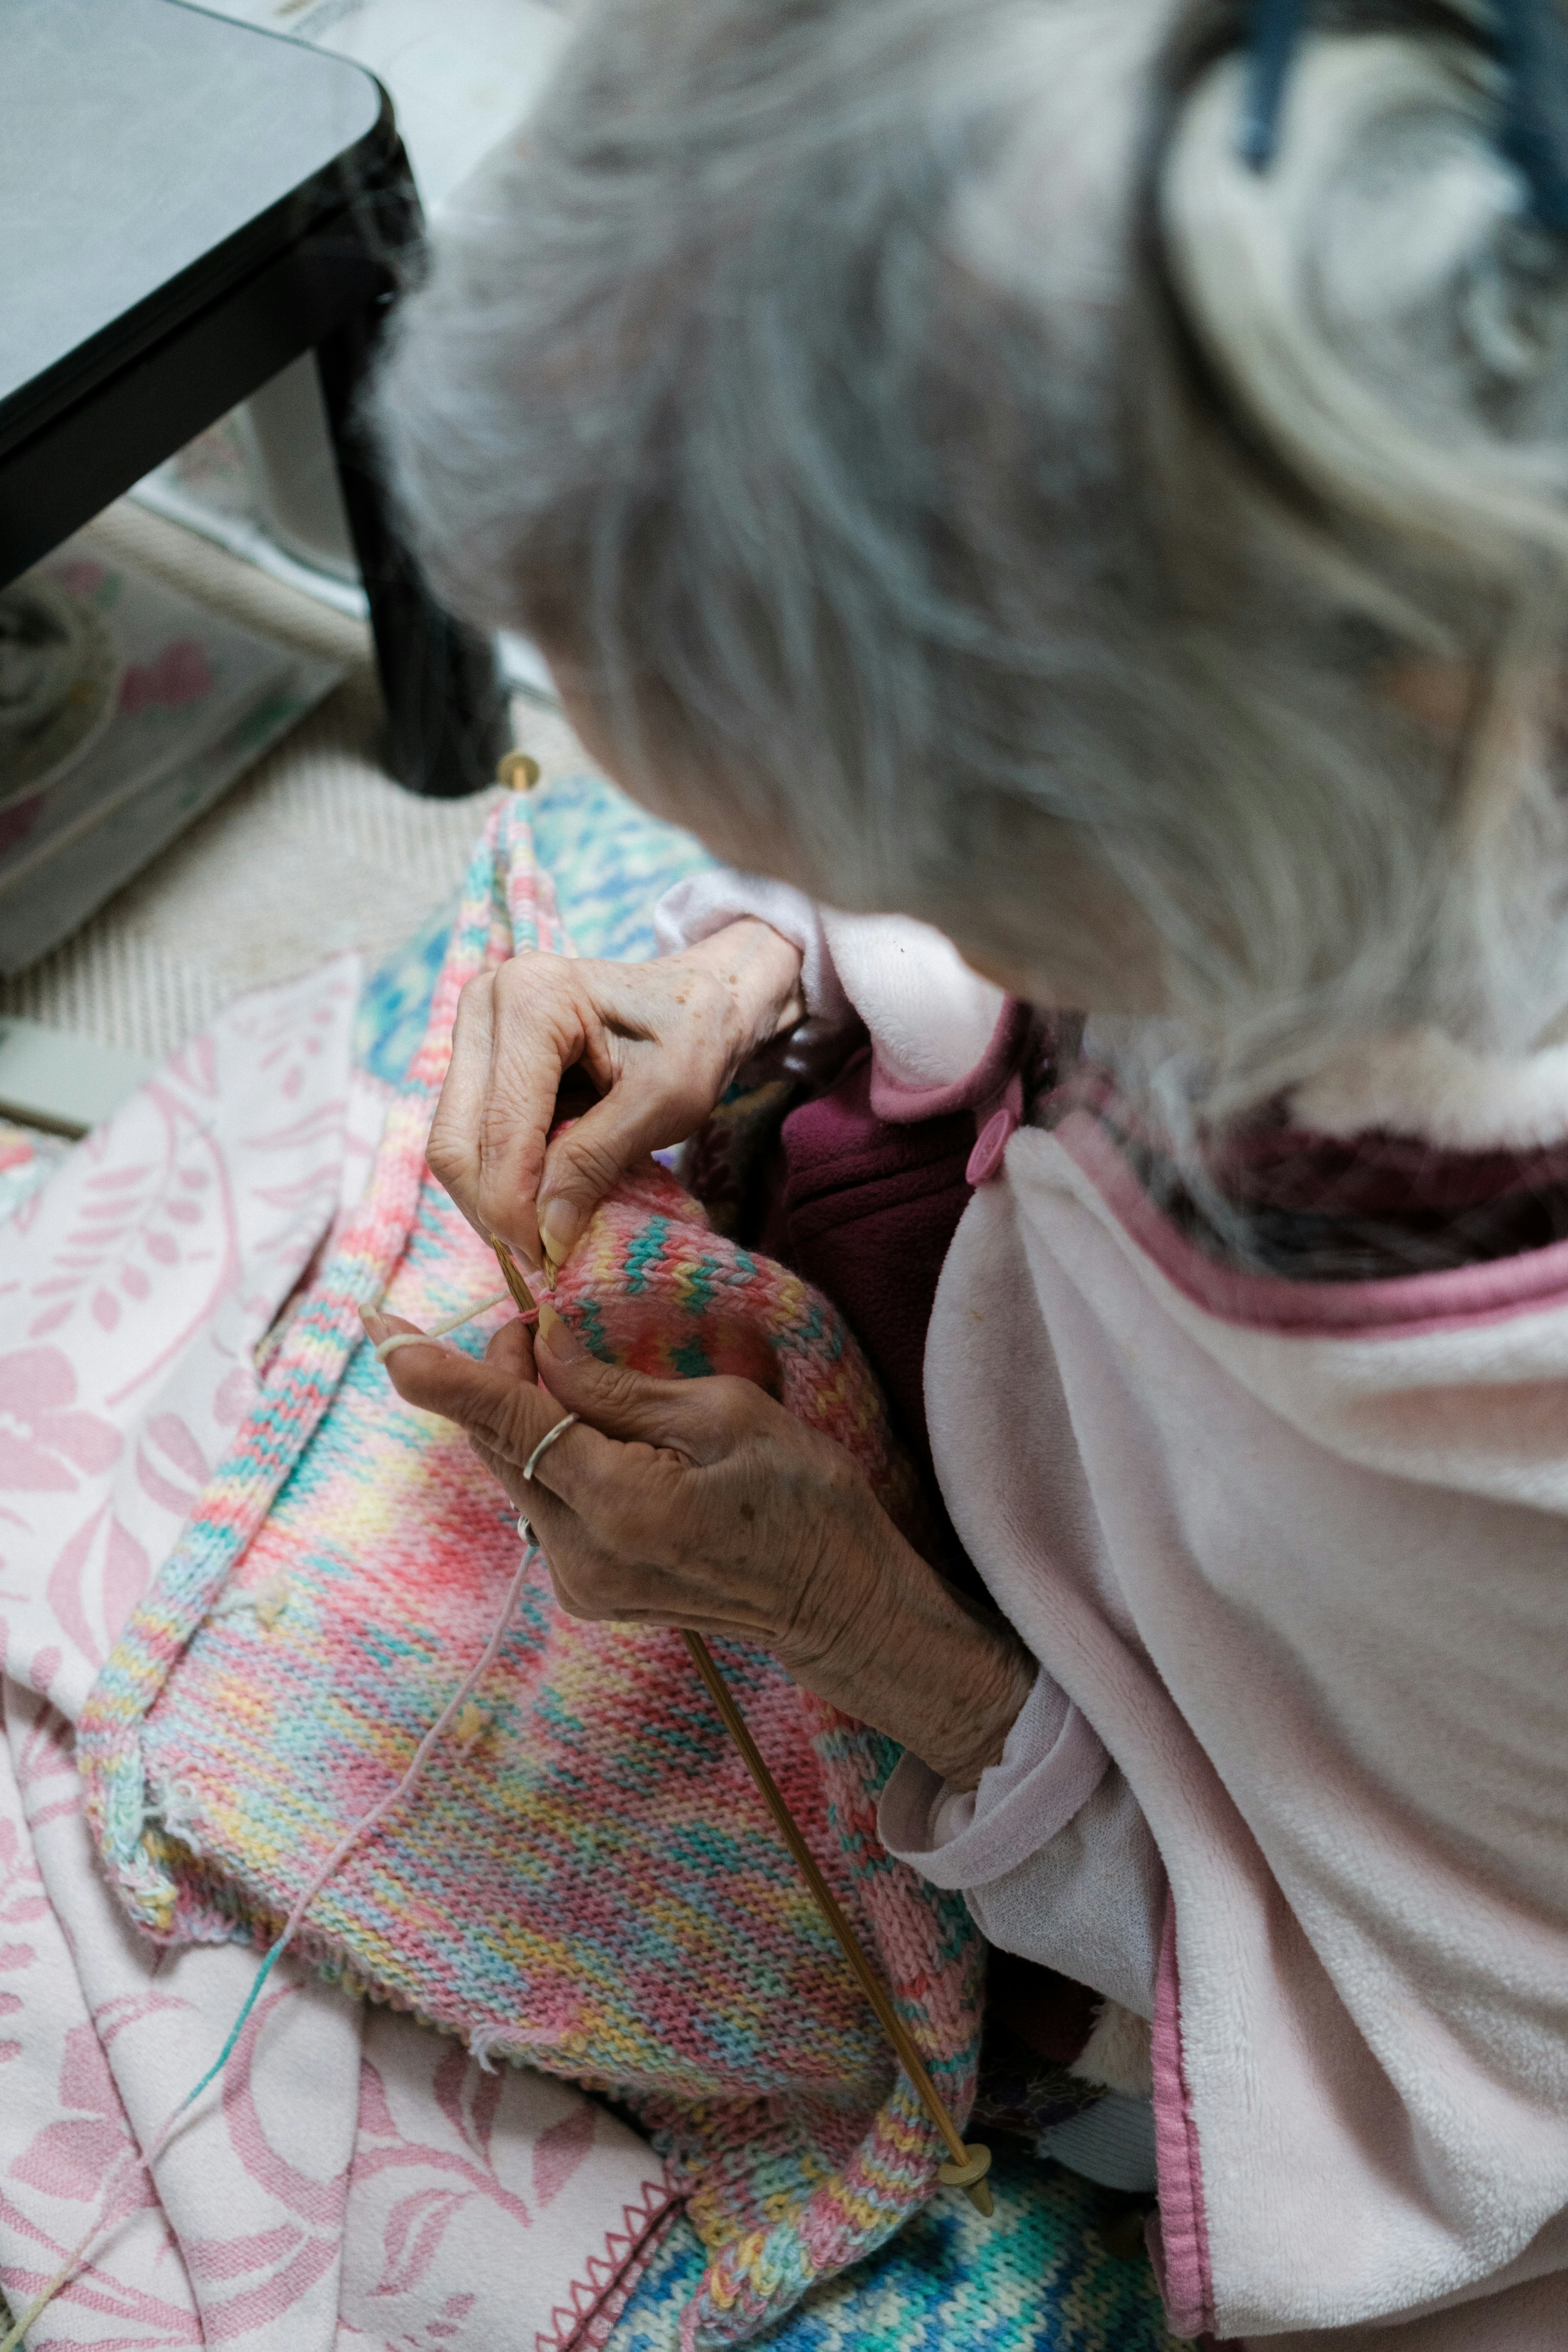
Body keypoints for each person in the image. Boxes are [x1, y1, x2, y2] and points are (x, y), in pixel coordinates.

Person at [367, 0, 1568, 2341]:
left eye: (856, 842)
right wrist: (748, 974)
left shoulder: (1485, 1416)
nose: (798, 881)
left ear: (1213, 859)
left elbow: (1462, 2059)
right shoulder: (1374, 500)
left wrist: (872, 1634)